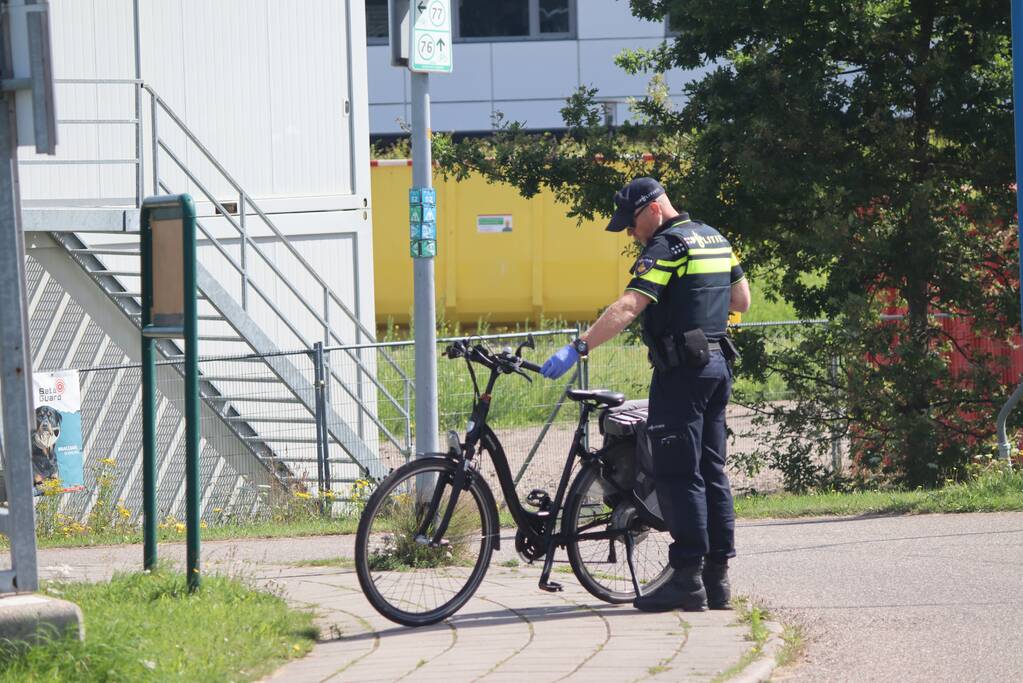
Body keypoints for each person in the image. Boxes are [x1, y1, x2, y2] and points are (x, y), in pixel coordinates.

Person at [540, 177, 750, 612]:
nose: (632, 234)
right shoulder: (716, 239)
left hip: (681, 374)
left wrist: (578, 347)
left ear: (652, 209)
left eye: (632, 224)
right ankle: (718, 581)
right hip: (717, 367)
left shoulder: (668, 247)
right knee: (713, 471)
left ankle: (687, 579)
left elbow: (628, 307)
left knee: (679, 474)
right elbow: (741, 300)